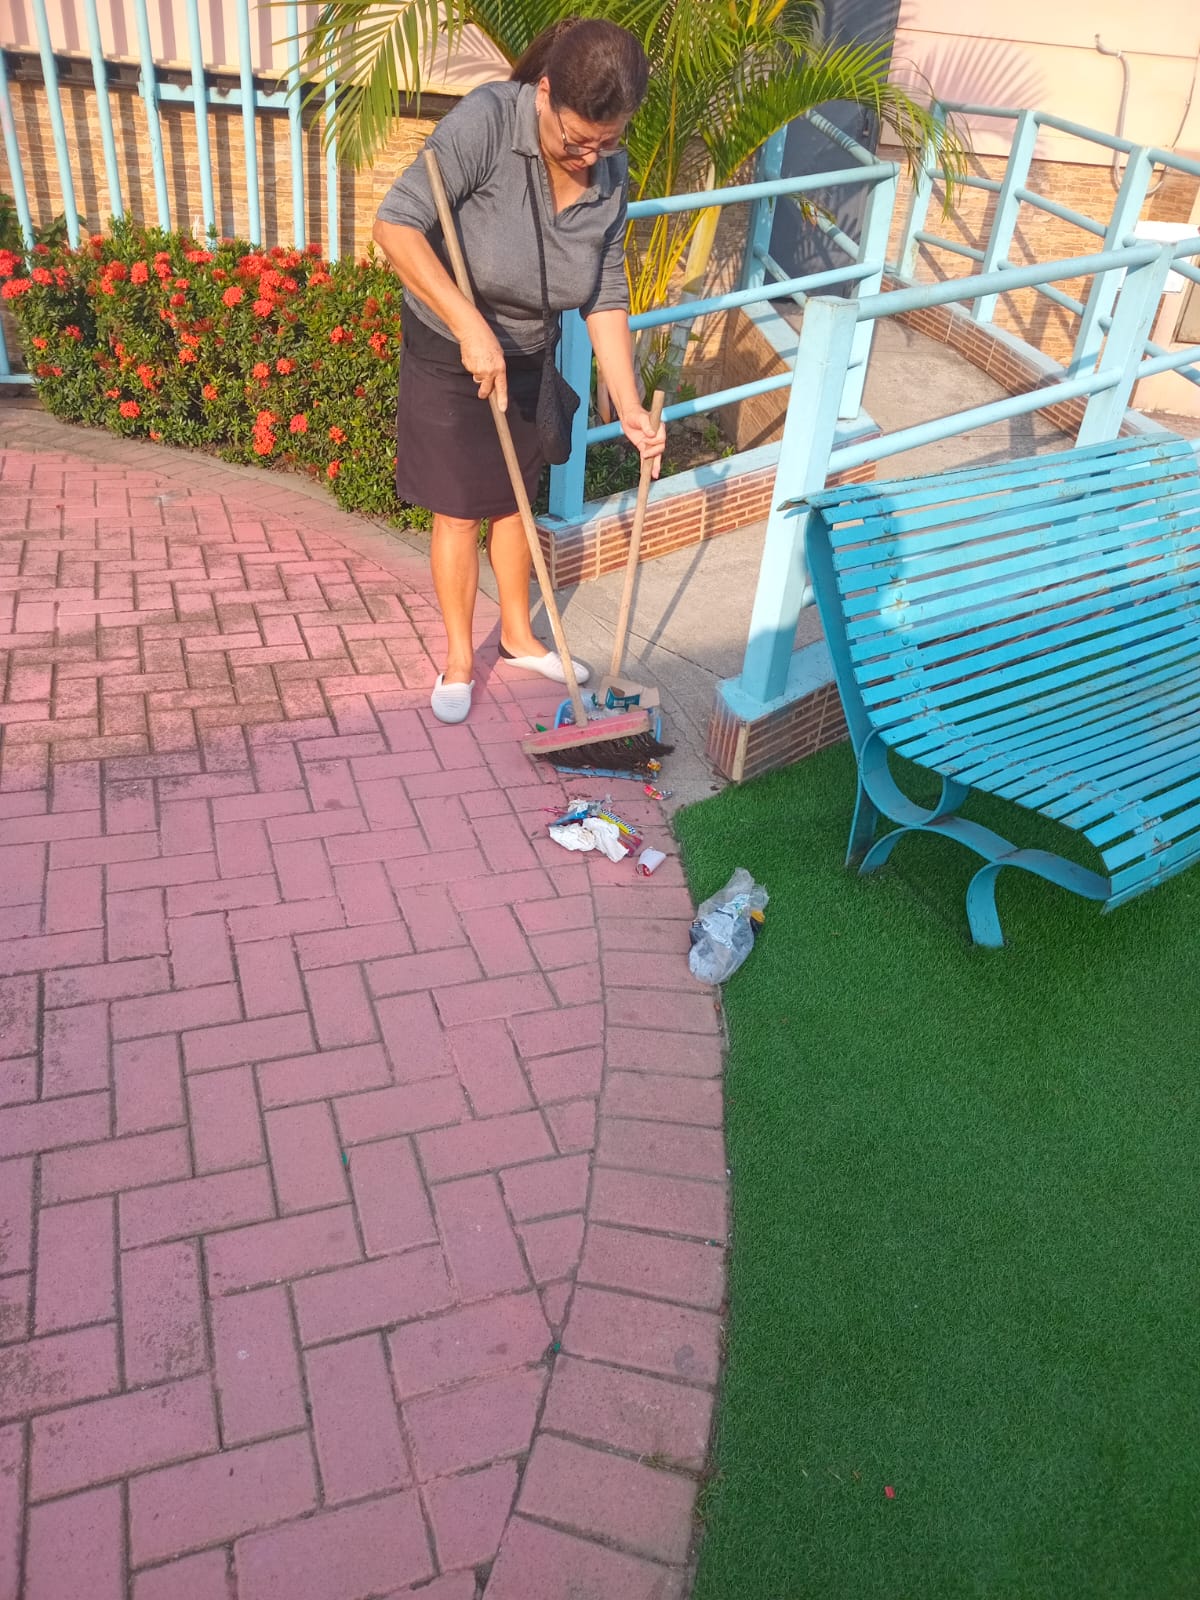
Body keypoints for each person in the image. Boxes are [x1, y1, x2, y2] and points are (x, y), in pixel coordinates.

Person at [373, 17, 667, 724]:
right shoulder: (486, 122)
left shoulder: (610, 171)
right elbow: (394, 225)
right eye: (577, 139)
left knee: (513, 499)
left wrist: (628, 403)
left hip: (532, 346)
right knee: (458, 508)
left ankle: (517, 636)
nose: (591, 156)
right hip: (451, 341)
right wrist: (467, 323)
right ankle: (456, 658)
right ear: (544, 93)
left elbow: (605, 288)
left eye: (609, 141)